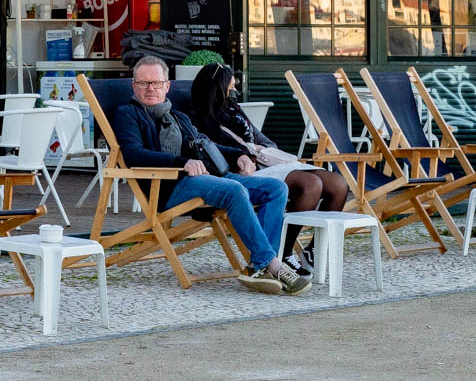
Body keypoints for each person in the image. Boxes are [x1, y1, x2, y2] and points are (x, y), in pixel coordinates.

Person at [113, 57, 308, 295]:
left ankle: (260, 265)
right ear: (134, 86)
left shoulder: (177, 117)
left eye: (156, 82)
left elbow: (205, 144)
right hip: (168, 186)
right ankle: (271, 265)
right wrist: (183, 162)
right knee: (234, 191)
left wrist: (238, 155)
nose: (150, 88)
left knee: (276, 188)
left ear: (167, 86)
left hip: (204, 178)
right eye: (144, 83)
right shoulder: (127, 114)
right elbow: (134, 154)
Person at [189, 62, 348, 276]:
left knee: (338, 184)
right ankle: (283, 252)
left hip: (264, 164)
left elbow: (264, 140)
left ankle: (313, 250)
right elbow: (208, 153)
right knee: (310, 184)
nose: (234, 92)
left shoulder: (235, 111)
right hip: (242, 173)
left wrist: (263, 151)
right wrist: (241, 159)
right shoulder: (196, 118)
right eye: (230, 88)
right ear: (217, 89)